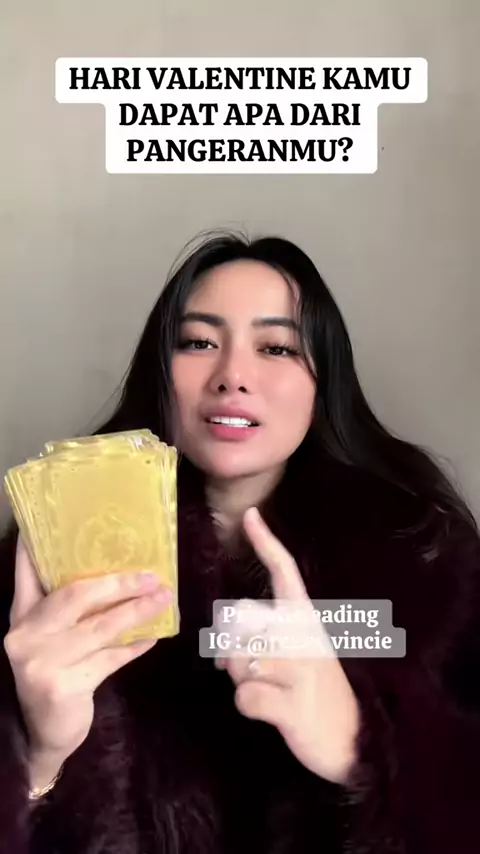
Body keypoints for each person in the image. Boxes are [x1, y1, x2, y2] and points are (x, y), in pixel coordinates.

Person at [0, 231, 480, 854]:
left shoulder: (428, 562)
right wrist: (37, 759)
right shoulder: (44, 562)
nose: (232, 377)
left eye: (277, 347)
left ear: (324, 384)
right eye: (199, 342)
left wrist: (364, 749)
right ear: (160, 371)